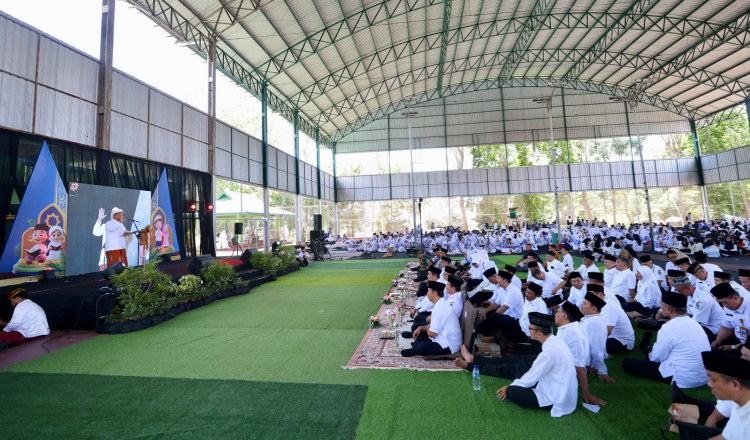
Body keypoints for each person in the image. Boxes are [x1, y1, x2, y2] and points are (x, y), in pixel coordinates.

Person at [496, 312, 578, 417]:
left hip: (555, 398)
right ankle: (519, 388)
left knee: (511, 391)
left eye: (530, 328)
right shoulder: (555, 340)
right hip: (558, 388)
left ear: (539, 333)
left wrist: (510, 387)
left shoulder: (549, 352)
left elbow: (533, 375)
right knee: (523, 364)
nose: (529, 330)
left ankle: (515, 390)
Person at [622, 291, 711, 388]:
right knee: (656, 351)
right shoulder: (695, 323)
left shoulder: (669, 327)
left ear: (669, 309)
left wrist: (651, 354)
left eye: (662, 306)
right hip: (703, 377)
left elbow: (657, 357)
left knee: (628, 362)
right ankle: (646, 347)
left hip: (683, 378)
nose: (661, 308)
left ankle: (647, 348)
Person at [401, 280, 462, 357]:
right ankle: (414, 348)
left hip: (449, 344)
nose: (427, 293)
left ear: (435, 293)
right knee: (421, 331)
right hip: (442, 335)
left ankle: (416, 349)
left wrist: (427, 328)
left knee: (422, 347)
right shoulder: (441, 303)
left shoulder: (439, 308)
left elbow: (431, 334)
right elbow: (433, 327)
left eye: (429, 291)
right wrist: (421, 328)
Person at [701, 350, 750, 440]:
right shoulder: (738, 403)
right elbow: (726, 437)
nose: (709, 384)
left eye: (713, 379)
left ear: (735, 385)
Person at [477, 270, 524, 343]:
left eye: (499, 278)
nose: (497, 280)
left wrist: (492, 318)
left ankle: (477, 329)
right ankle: (488, 330)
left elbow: (504, 308)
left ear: (505, 280)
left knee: (495, 317)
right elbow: (496, 303)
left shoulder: (514, 291)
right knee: (490, 313)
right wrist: (485, 312)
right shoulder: (503, 289)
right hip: (507, 315)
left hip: (515, 320)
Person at [673, 275, 723, 341]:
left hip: (714, 329)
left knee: (683, 335)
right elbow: (689, 314)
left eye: (679, 291)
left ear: (688, 288)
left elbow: (697, 322)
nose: (678, 293)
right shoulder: (690, 296)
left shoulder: (702, 300)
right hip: (703, 325)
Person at [580, 290, 615, 383]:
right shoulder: (589, 318)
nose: (581, 305)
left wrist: (602, 371)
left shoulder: (594, 322)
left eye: (584, 304)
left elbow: (596, 348)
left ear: (593, 309)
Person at [710, 283, 749, 355]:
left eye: (725, 302)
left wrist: (733, 347)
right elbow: (726, 328)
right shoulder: (728, 308)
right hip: (739, 339)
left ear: (735, 298)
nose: (724, 306)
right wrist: (718, 340)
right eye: (722, 303)